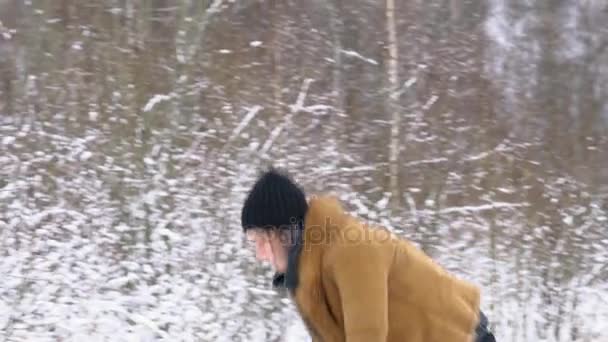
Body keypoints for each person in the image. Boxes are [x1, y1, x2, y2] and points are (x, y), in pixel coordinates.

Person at [242, 168, 496, 342]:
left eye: (262, 241)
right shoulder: (309, 278)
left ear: (287, 232)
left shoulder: (350, 249)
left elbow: (367, 335)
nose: (260, 254)